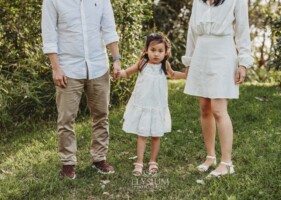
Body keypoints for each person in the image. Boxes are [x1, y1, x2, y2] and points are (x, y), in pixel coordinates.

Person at [41, 0, 121, 179]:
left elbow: (108, 28)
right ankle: (68, 163)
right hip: (68, 68)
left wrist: (116, 59)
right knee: (66, 118)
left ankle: (99, 159)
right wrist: (56, 68)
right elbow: (49, 34)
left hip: (98, 65)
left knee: (101, 115)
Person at [182, 0, 253, 178]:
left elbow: (243, 31)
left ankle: (226, 163)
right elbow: (192, 30)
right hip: (201, 53)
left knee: (219, 110)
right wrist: (189, 60)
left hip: (223, 54)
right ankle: (210, 157)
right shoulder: (198, 1)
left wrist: (243, 63)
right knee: (204, 107)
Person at [117, 33, 186, 176]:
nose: (156, 54)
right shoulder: (142, 64)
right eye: (153, 50)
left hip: (157, 106)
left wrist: (186, 75)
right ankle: (139, 162)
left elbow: (173, 74)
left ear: (166, 52)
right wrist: (119, 73)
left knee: (156, 134)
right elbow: (127, 72)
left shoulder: (164, 65)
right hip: (143, 104)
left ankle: (153, 161)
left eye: (160, 51)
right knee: (142, 134)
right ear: (146, 50)